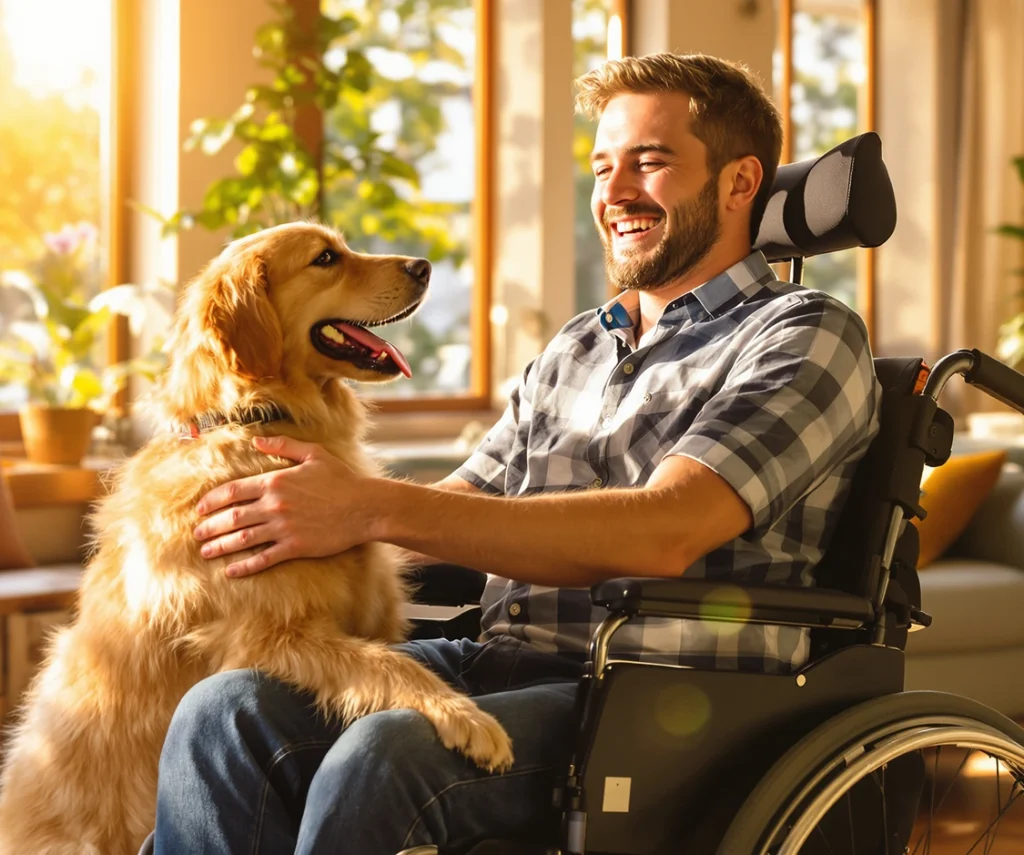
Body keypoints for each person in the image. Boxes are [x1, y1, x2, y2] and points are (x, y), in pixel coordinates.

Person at [151, 52, 880, 854]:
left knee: (385, 752)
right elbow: (460, 507)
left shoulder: (803, 334)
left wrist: (366, 505)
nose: (615, 192)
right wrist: (257, 524)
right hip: (499, 657)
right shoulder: (581, 345)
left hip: (665, 697)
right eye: (604, 166)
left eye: (650, 162)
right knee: (226, 709)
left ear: (741, 183)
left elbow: (668, 529)